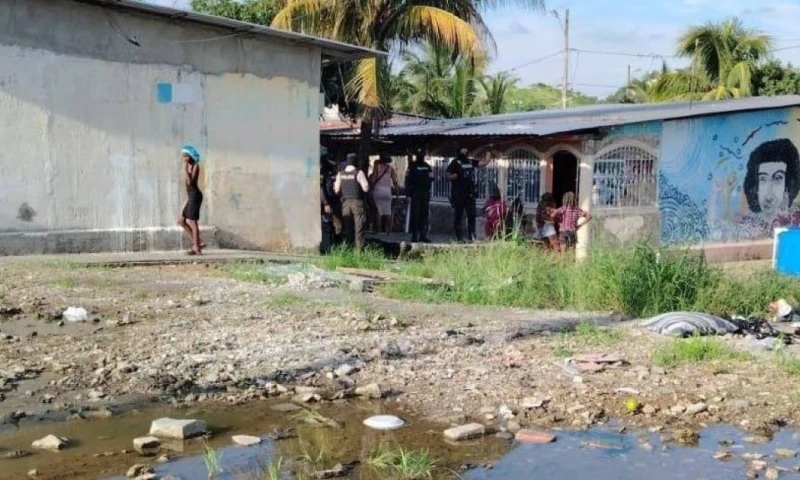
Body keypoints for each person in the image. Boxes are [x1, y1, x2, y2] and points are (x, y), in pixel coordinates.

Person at [741, 138, 800, 237]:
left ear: (788, 184)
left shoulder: (797, 219)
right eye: (763, 179)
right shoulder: (747, 226)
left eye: (777, 178)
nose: (768, 195)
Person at [446, 147, 493, 242]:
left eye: (465, 149)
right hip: (458, 194)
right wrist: (452, 177)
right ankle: (459, 238)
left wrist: (489, 150)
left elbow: (484, 163)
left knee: (471, 216)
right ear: (459, 151)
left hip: (470, 194)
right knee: (458, 217)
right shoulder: (455, 162)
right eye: (462, 149)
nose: (464, 151)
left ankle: (472, 236)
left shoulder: (470, 162)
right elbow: (447, 175)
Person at [334, 153, 370, 251]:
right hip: (357, 203)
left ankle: (348, 249)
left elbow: (336, 190)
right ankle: (359, 251)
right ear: (355, 161)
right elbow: (366, 188)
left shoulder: (340, 174)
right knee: (359, 228)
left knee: (348, 228)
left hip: (345, 204)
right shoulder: (358, 173)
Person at [178, 145, 203, 255]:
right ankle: (197, 242)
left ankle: (196, 248)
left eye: (184, 156)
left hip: (195, 196)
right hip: (191, 197)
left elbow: (190, 183)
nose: (182, 158)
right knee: (181, 221)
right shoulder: (189, 166)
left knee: (193, 222)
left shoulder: (195, 166)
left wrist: (185, 170)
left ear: (189, 156)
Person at [405, 149, 434, 243]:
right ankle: (414, 236)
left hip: (425, 193)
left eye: (422, 154)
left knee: (424, 215)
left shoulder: (427, 166)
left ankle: (423, 235)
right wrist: (408, 195)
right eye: (419, 154)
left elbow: (431, 178)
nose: (421, 155)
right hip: (415, 194)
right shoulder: (412, 166)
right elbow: (408, 181)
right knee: (415, 215)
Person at [370, 154, 399, 235]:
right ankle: (389, 232)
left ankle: (379, 231)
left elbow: (373, 180)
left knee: (379, 212)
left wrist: (371, 187)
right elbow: (395, 182)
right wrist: (397, 193)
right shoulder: (390, 168)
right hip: (387, 192)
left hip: (378, 191)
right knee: (388, 211)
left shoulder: (377, 167)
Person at [320, 151, 342, 253]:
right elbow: (321, 190)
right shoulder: (323, 175)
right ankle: (328, 248)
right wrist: (326, 203)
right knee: (329, 226)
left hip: (335, 203)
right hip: (327, 204)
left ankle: (335, 247)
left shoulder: (334, 173)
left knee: (337, 226)